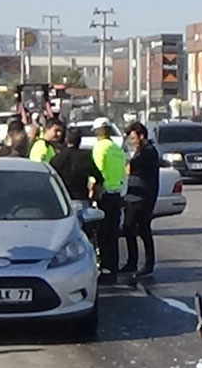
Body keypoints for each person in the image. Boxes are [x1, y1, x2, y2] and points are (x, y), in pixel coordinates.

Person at [122, 122, 161, 276]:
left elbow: (132, 169)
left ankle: (144, 263)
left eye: (133, 138)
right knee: (131, 228)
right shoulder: (142, 151)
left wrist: (125, 161)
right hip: (136, 196)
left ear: (141, 136)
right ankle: (134, 262)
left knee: (138, 228)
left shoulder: (147, 152)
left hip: (141, 197)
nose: (132, 141)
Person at [91, 118, 128, 280]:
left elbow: (96, 173)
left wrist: (92, 192)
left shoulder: (100, 148)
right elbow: (123, 173)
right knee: (113, 233)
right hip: (116, 194)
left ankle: (104, 266)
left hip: (103, 195)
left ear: (97, 131)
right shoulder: (117, 149)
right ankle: (113, 266)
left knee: (102, 233)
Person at [50, 127, 103, 201]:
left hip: (62, 198)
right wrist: (93, 190)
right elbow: (98, 177)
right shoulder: (85, 156)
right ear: (80, 140)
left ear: (66, 139)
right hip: (81, 197)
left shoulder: (57, 158)